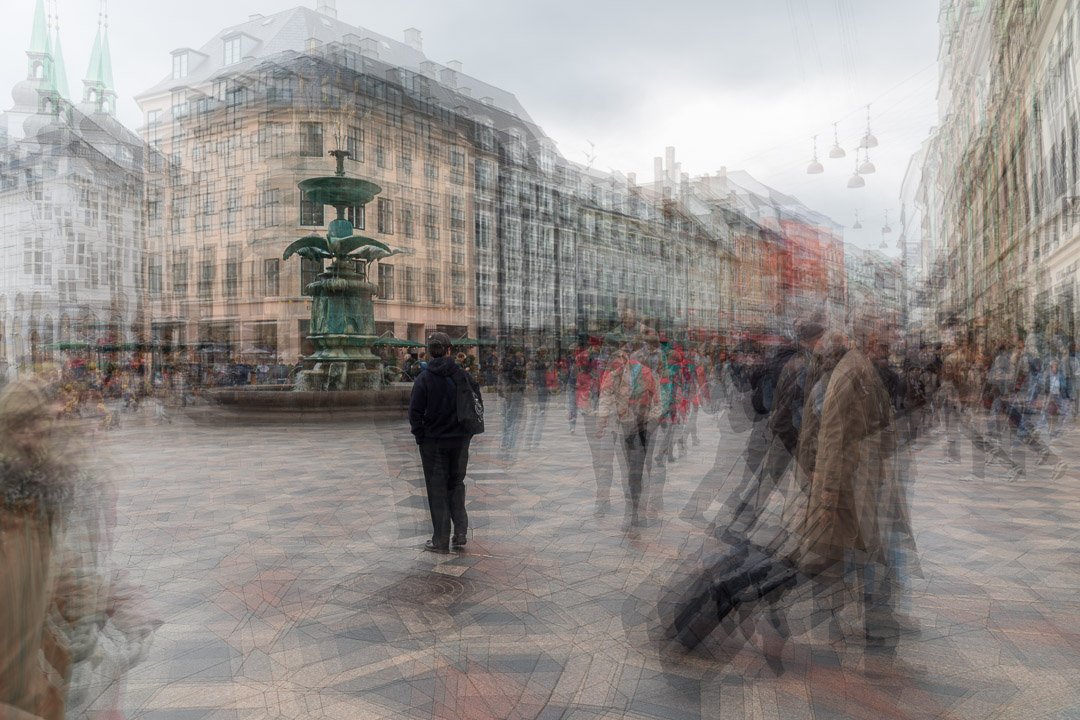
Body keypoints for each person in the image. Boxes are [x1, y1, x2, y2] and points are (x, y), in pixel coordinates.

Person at [408, 332, 482, 553]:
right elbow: (476, 405)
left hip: (433, 443)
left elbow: (414, 413)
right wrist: (466, 434)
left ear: (430, 352)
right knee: (456, 484)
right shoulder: (463, 376)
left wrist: (421, 436)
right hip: (459, 442)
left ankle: (441, 539)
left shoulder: (424, 378)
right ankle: (460, 532)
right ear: (449, 350)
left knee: (437, 489)